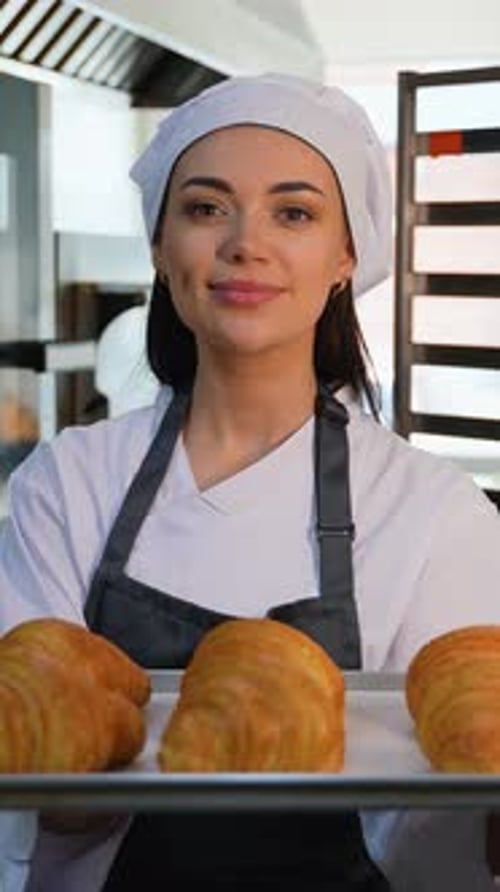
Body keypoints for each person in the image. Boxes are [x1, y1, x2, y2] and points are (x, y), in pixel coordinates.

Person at [0, 71, 499, 891]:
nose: (245, 243)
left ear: (346, 256)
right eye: (205, 207)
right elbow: (39, 794)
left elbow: (436, 836)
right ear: (161, 247)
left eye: (293, 212)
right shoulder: (71, 481)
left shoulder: (434, 511)